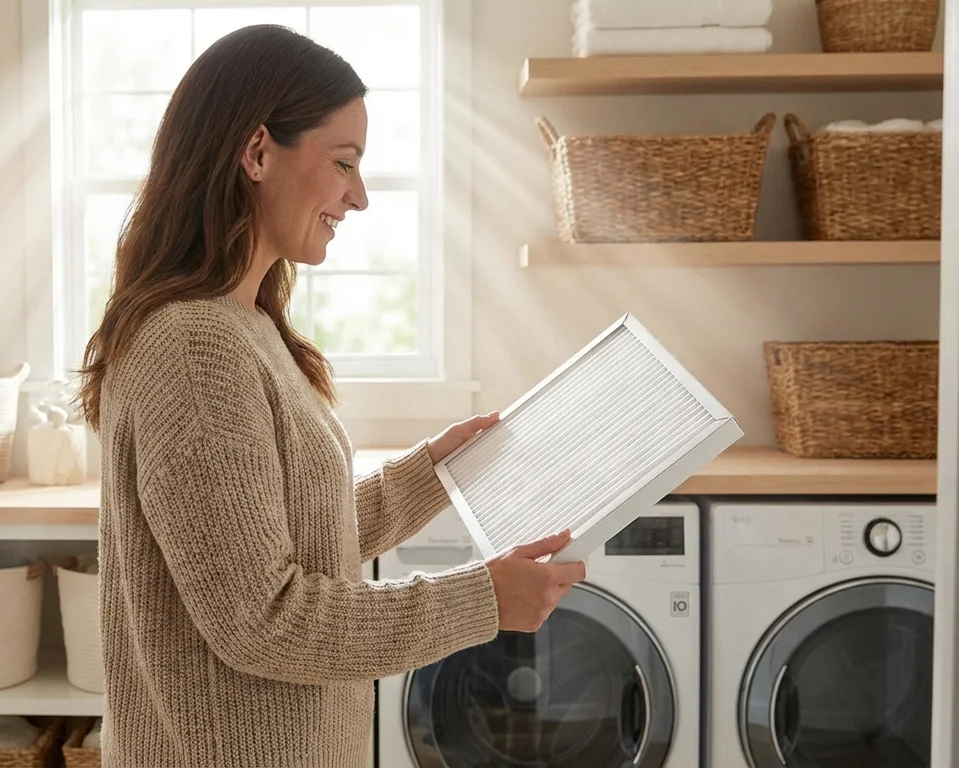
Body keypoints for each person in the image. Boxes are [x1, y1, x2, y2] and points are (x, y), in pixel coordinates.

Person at [75, 23, 588, 768]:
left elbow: (280, 536)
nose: (360, 196)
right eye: (343, 162)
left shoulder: (243, 326)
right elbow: (265, 619)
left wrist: (431, 474)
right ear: (256, 152)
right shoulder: (194, 346)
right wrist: (482, 600)